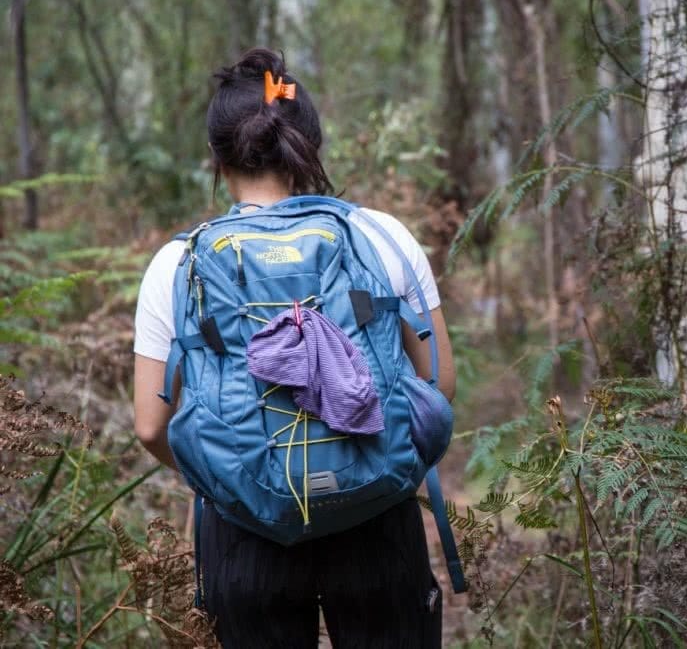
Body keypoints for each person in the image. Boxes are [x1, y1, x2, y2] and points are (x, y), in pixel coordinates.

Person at [132, 47, 456, 648]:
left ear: (216, 157)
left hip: (244, 529)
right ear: (308, 143)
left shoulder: (176, 263)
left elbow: (152, 426)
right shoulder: (382, 235)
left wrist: (231, 480)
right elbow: (438, 381)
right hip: (376, 512)